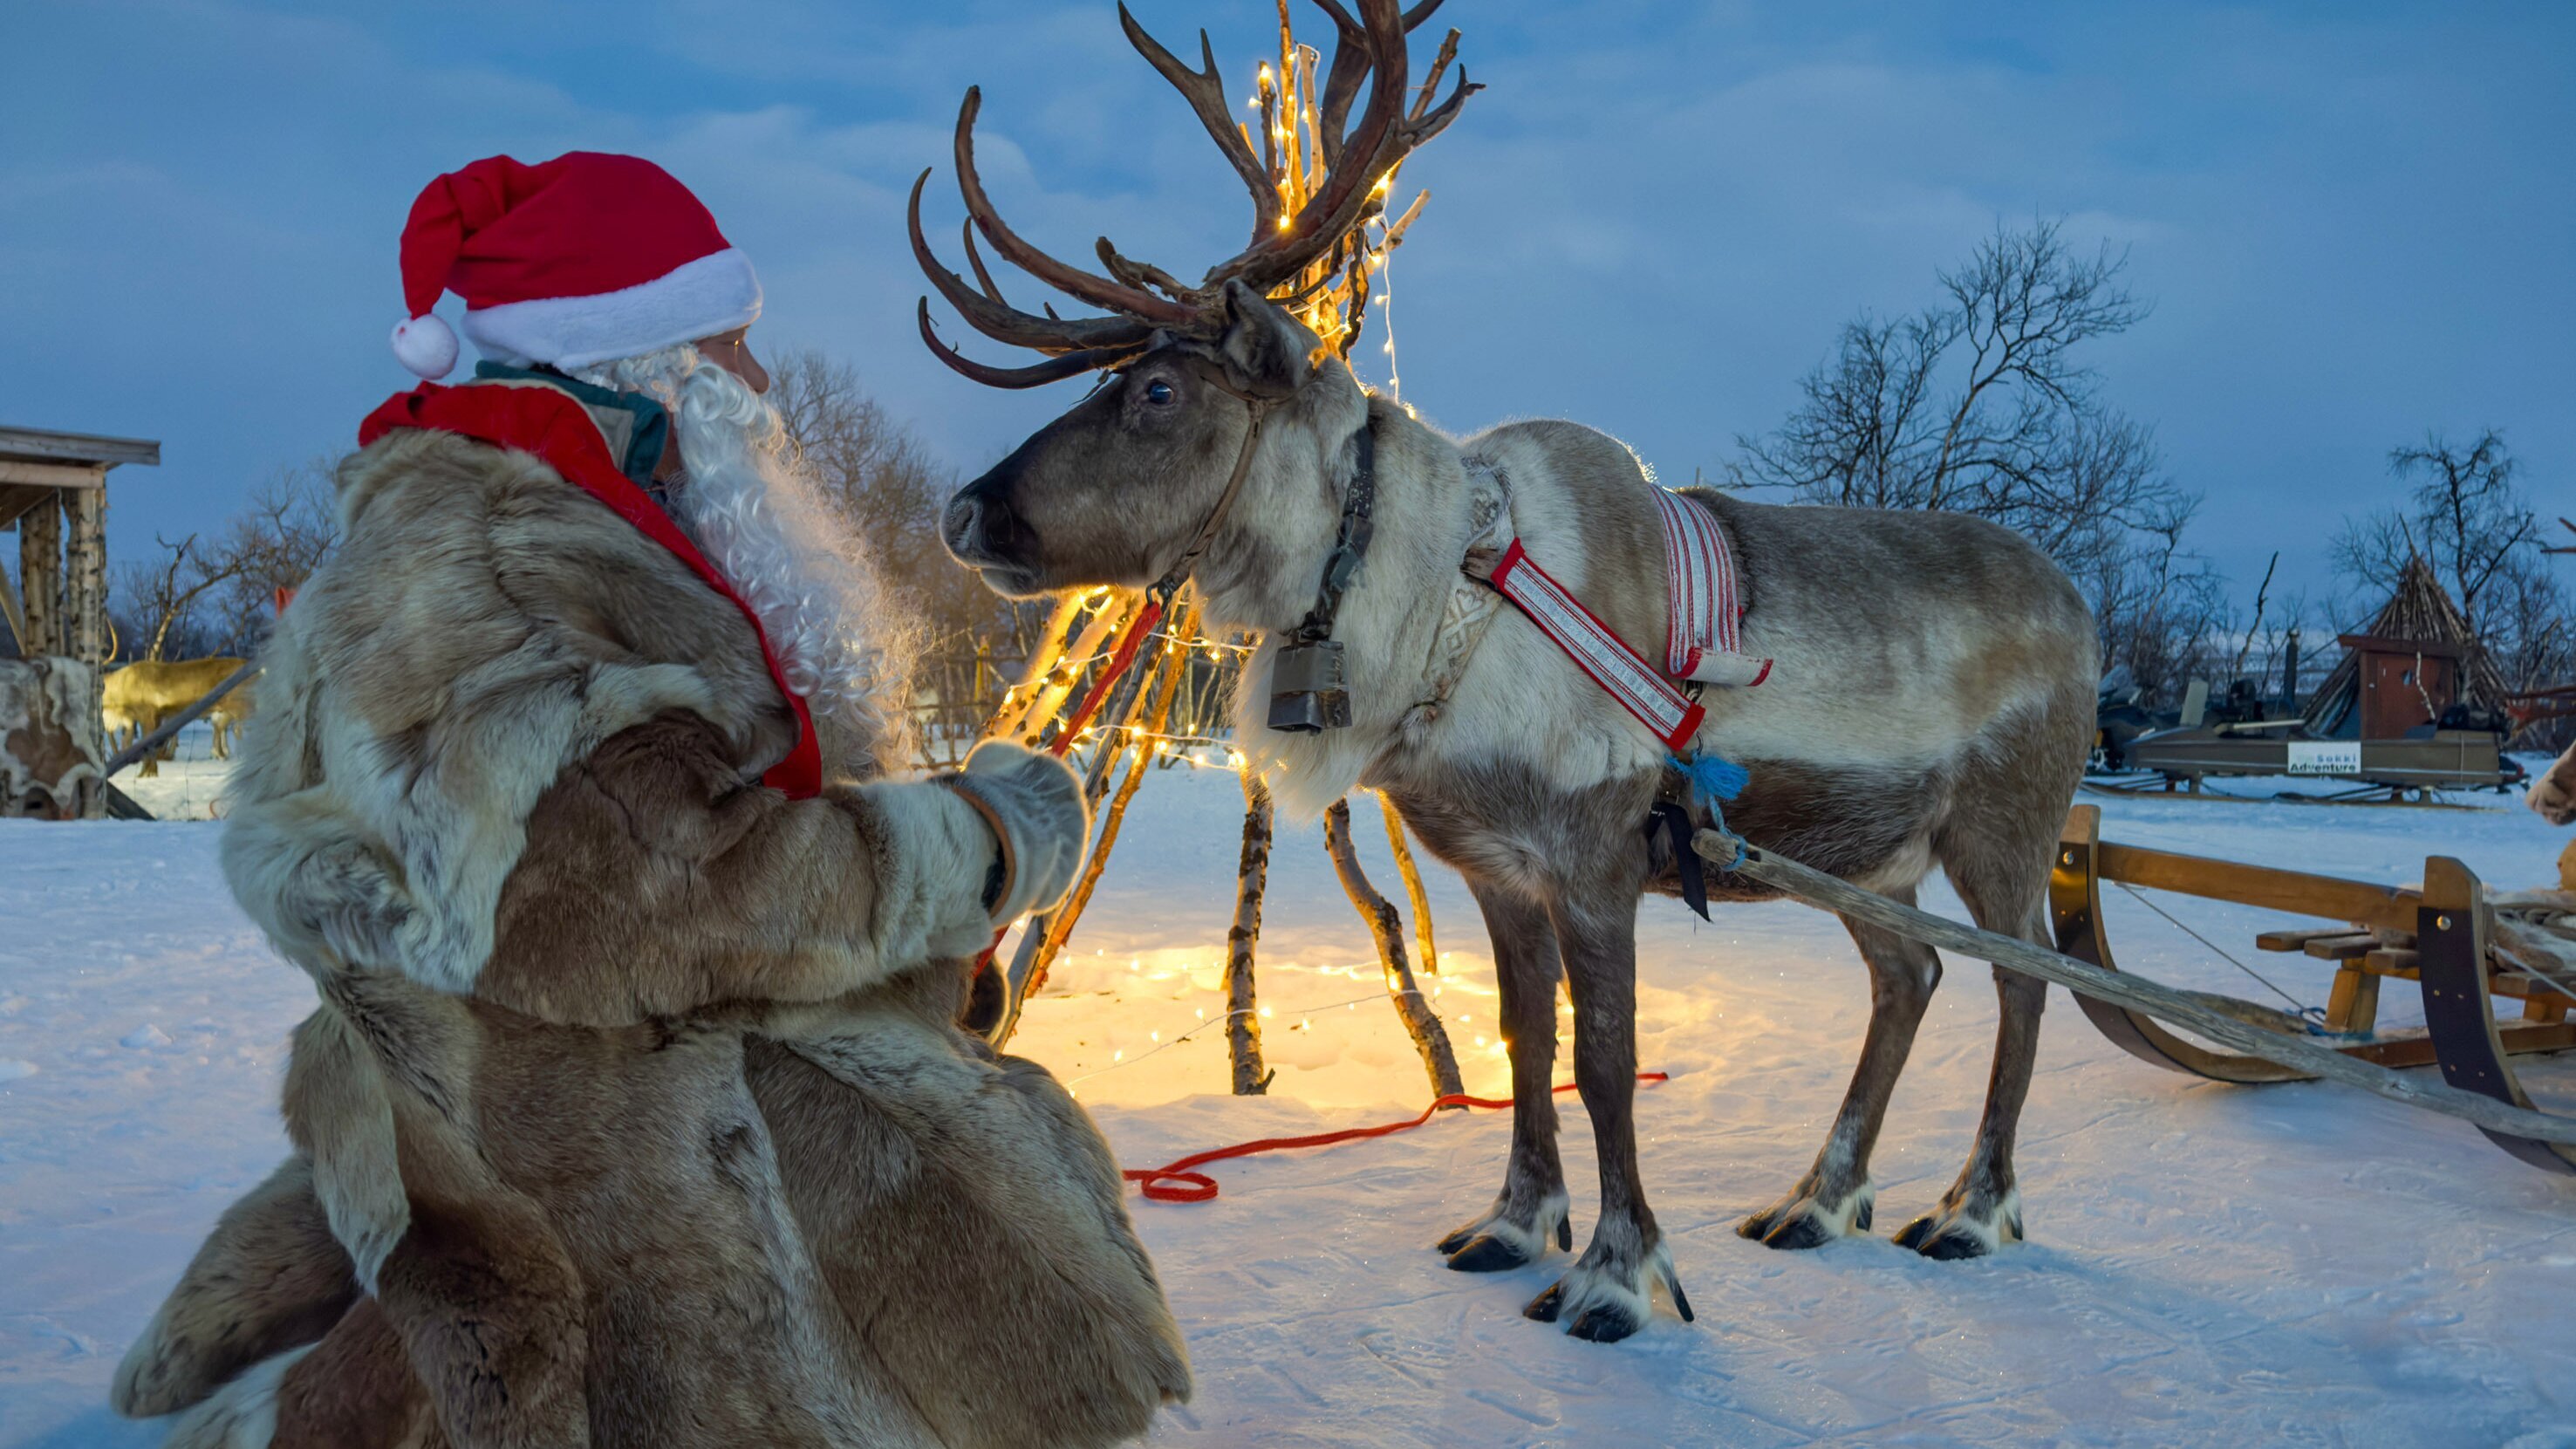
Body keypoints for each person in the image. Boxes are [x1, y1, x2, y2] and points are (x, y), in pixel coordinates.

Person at [110, 151, 1189, 1448]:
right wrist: (979, 845)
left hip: (523, 1075)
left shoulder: (562, 519)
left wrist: (908, 945)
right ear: (643, 361)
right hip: (585, 1127)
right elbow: (649, 901)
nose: (762, 382)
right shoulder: (510, 561)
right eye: (732, 345)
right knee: (931, 1197)